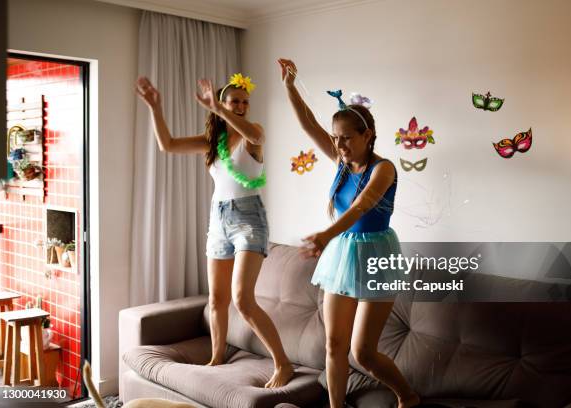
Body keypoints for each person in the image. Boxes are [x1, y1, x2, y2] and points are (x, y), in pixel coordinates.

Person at [278, 58, 420, 407]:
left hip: (377, 256)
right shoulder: (341, 160)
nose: (339, 146)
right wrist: (289, 87)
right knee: (334, 345)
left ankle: (407, 397)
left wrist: (325, 235)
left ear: (367, 136)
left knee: (364, 352)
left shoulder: (384, 169)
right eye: (336, 139)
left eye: (346, 139)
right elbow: (309, 123)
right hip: (344, 255)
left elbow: (360, 208)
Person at [135, 74, 293, 388]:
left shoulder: (253, 133)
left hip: (249, 218)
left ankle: (283, 364)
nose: (242, 106)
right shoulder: (213, 142)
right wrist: (155, 107)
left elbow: (256, 137)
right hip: (218, 219)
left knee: (242, 300)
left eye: (245, 101)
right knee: (217, 300)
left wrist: (220, 110)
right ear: (223, 103)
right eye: (235, 101)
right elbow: (167, 145)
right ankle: (217, 357)